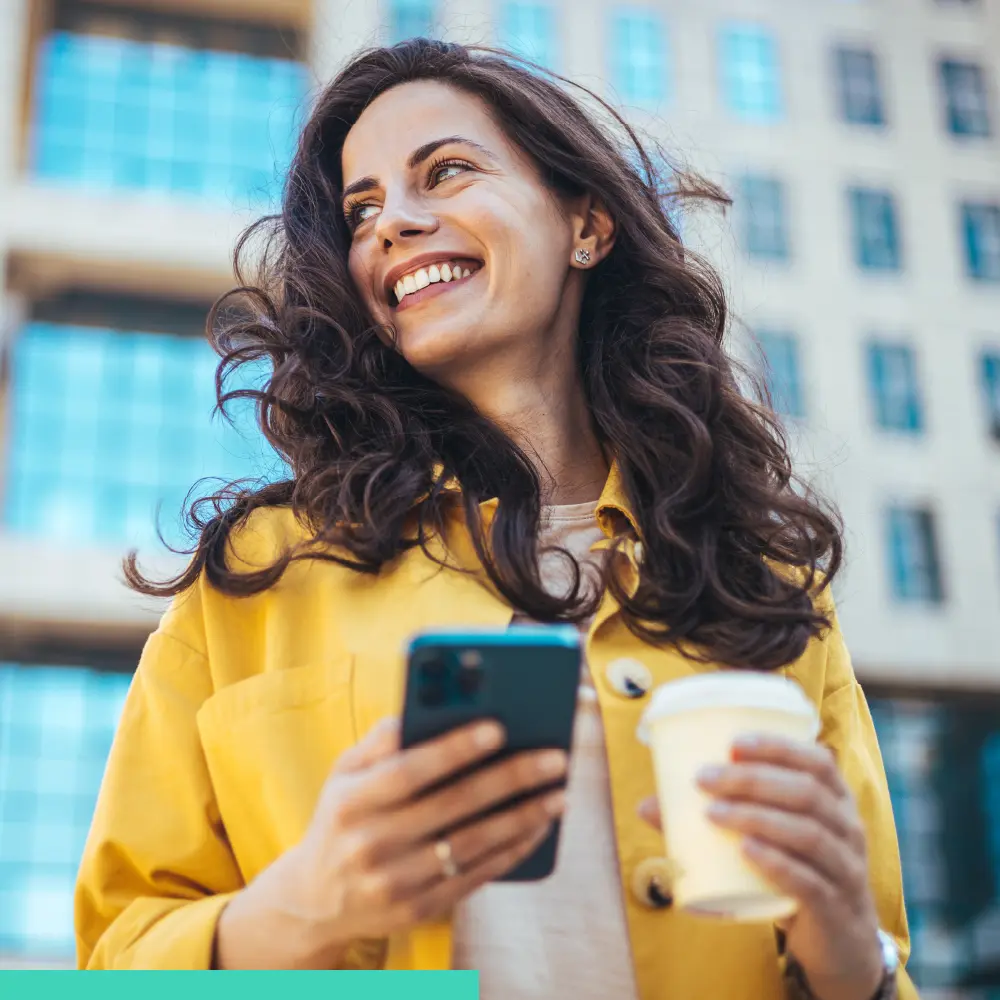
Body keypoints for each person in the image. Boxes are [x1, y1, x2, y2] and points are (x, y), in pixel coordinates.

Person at [74, 39, 918, 999]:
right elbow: (113, 969)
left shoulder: (765, 583)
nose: (391, 223)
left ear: (585, 223)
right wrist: (306, 905)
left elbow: (882, 961)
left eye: (445, 171)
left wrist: (852, 954)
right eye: (361, 210)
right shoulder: (257, 577)